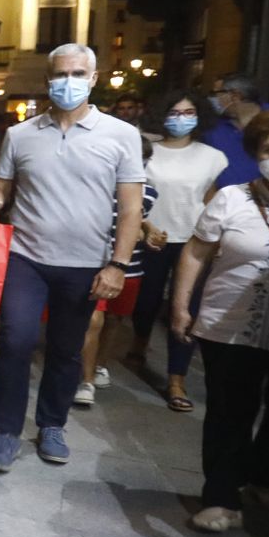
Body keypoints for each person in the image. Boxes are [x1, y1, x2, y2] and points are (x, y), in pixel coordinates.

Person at [0, 43, 145, 472]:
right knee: (15, 341)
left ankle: (52, 424)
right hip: (25, 257)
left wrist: (118, 265)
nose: (66, 82)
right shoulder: (21, 134)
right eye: (59, 74)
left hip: (86, 263)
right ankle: (7, 431)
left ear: (93, 78)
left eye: (76, 74)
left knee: (67, 349)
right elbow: (2, 185)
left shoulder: (121, 135)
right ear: (48, 79)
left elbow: (130, 208)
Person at [168, 106, 269, 532]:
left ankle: (267, 478)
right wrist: (181, 304)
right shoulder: (233, 198)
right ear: (256, 153)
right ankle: (221, 497)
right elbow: (196, 251)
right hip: (229, 324)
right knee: (230, 411)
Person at [126, 88, 228, 412]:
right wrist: (144, 229)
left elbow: (213, 200)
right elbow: (132, 197)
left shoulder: (213, 157)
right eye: (174, 112)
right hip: (151, 238)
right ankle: (140, 342)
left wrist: (219, 240)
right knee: (146, 303)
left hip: (194, 243)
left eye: (188, 113)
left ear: (199, 116)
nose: (181, 119)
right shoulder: (146, 152)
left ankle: (176, 379)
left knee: (184, 310)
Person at [75, 137, 158, 408]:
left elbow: (135, 216)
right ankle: (85, 380)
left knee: (114, 321)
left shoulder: (149, 193)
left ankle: (100, 365)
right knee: (94, 320)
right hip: (96, 260)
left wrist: (149, 231)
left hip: (130, 266)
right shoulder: (93, 185)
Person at [203, 73, 269, 188]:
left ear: (235, 96)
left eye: (215, 93)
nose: (212, 98)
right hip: (224, 202)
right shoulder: (211, 126)